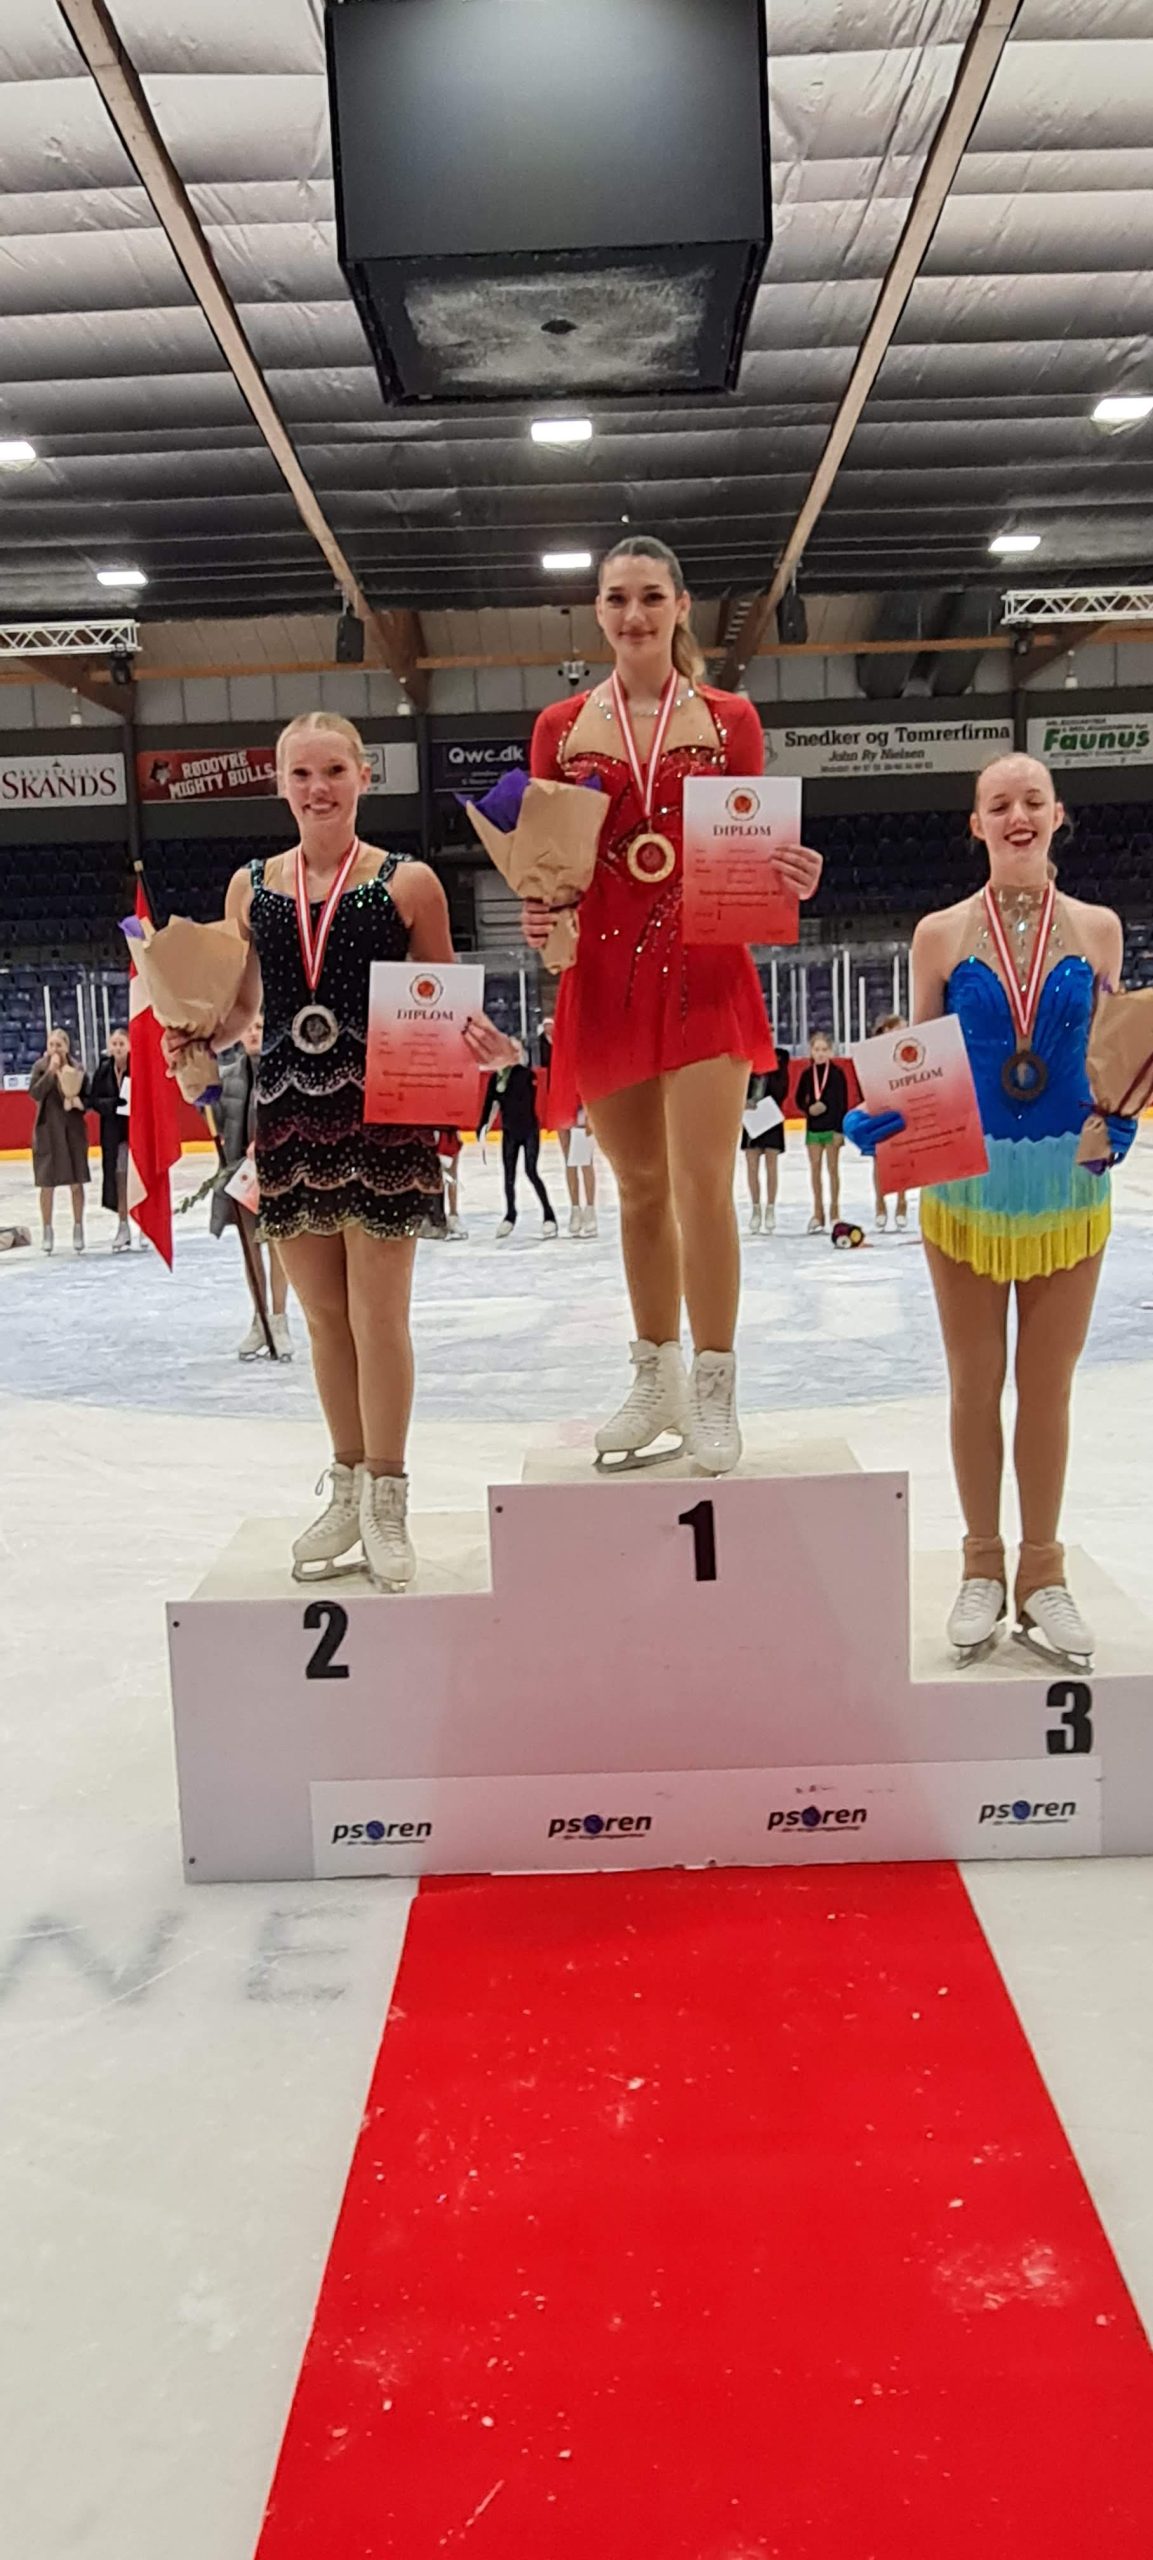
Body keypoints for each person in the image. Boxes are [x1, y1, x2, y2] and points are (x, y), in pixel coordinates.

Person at [164, 710, 510, 1591]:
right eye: (300, 774)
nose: (317, 789)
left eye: (333, 771)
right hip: (286, 1117)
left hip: (384, 1118)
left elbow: (444, 1001)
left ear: (364, 776)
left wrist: (484, 1044)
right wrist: (196, 1035)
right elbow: (246, 1011)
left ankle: (388, 1496)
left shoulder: (409, 883)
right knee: (321, 1318)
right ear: (279, 783)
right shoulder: (250, 887)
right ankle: (348, 1483)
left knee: (377, 1316)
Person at [524, 534, 821, 1471]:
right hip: (604, 976)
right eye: (617, 598)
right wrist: (540, 908)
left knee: (701, 1184)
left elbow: (748, 843)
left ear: (681, 606)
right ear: (597, 610)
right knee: (640, 1187)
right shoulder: (558, 726)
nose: (634, 615)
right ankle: (654, 1378)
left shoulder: (731, 718)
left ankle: (715, 1383)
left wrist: (789, 873)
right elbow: (549, 862)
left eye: (651, 596)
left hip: (704, 969)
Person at [847, 752, 1136, 1670]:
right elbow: (919, 1055)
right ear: (975, 824)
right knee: (974, 1382)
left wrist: (1124, 1112)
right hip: (963, 1187)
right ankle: (981, 1563)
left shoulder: (1098, 929)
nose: (1017, 815)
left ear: (1057, 815)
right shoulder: (937, 934)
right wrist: (882, 1115)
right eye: (998, 804)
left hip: (1067, 1187)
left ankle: (1041, 1572)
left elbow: (1115, 1053)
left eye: (1031, 801)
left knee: (1047, 1386)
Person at [211, 1018, 292, 1359]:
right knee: (250, 1248)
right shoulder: (228, 1076)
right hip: (241, 1177)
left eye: (259, 1026)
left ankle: (279, 1320)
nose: (254, 1032)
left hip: (278, 1176)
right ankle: (259, 1320)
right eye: (248, 1028)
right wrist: (202, 1095)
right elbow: (217, 1119)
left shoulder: (284, 1070)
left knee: (277, 1248)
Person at [478, 1042, 558, 1240]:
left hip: (529, 1130)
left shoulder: (526, 1075)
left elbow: (523, 1099)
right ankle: (510, 1215)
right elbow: (491, 1104)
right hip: (509, 1132)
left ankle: (549, 1215)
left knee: (531, 1171)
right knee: (509, 1175)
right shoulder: (496, 1079)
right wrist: (483, 1128)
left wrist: (503, 1085)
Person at [29, 1027, 89, 1255]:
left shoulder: (77, 1068)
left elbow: (86, 1098)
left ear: (67, 1047)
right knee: (47, 1184)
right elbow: (35, 1093)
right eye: (51, 1044)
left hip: (72, 1131)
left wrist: (78, 1099)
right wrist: (50, 1073)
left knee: (76, 1183)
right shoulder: (40, 1067)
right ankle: (47, 1230)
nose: (55, 1049)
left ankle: (78, 1227)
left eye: (59, 1045)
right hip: (47, 1131)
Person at [541, 1011, 598, 1237]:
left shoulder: (580, 1049)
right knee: (569, 1161)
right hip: (561, 1103)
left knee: (584, 1160)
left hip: (581, 1105)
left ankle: (590, 1210)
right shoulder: (553, 1051)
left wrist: (590, 1111)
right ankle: (575, 1209)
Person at [795, 1031, 849, 1235]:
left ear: (831, 1051)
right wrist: (808, 1109)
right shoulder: (807, 1074)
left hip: (832, 1129)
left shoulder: (837, 1074)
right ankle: (818, 1213)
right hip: (814, 1130)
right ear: (811, 1051)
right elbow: (798, 1098)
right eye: (817, 1049)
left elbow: (842, 1103)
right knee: (815, 1170)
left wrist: (839, 1130)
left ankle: (835, 1212)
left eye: (824, 1049)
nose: (820, 1053)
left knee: (833, 1170)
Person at [88, 1025, 134, 1252]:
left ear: (130, 1046)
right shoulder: (104, 1069)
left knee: (140, 1178)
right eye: (114, 1044)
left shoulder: (138, 1068)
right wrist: (113, 1104)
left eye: (121, 1044)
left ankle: (145, 1224)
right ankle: (123, 1224)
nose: (117, 1048)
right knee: (120, 1178)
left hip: (136, 1131)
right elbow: (93, 1100)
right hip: (114, 1134)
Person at [868, 1016, 909, 1231]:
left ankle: (902, 1203)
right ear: (886, 1031)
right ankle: (880, 1203)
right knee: (878, 1160)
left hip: (904, 1110)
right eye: (898, 1029)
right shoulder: (873, 1056)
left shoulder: (909, 1052)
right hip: (880, 1109)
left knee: (901, 1159)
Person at [742, 1049, 789, 1234]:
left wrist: (770, 1068)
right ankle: (755, 1209)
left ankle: (770, 1208)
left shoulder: (779, 1061)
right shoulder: (746, 1063)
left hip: (770, 1118)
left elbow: (781, 1090)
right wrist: (744, 1101)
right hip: (752, 1120)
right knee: (752, 1166)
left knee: (771, 1166)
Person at [435, 1129, 467, 1239]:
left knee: (450, 1177)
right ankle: (443, 1216)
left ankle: (450, 1216)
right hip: (441, 1134)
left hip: (447, 1135)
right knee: (445, 1178)